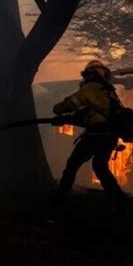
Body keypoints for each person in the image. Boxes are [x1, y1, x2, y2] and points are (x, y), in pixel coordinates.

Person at [53, 60, 126, 209]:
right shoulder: (109, 92)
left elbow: (72, 103)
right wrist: (68, 119)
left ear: (90, 74)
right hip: (110, 136)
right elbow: (89, 113)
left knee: (72, 165)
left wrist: (58, 110)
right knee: (100, 167)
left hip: (95, 136)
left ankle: (58, 199)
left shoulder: (91, 88)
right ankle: (118, 200)